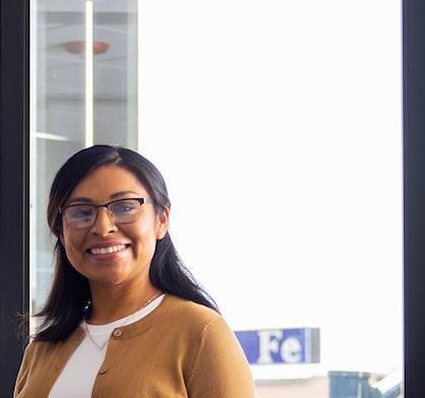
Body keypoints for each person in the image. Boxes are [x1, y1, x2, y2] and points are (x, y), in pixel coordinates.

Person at [13, 145, 255, 397]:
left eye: (124, 207)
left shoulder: (202, 332)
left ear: (162, 220)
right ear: (61, 233)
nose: (103, 227)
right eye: (82, 212)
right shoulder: (42, 347)